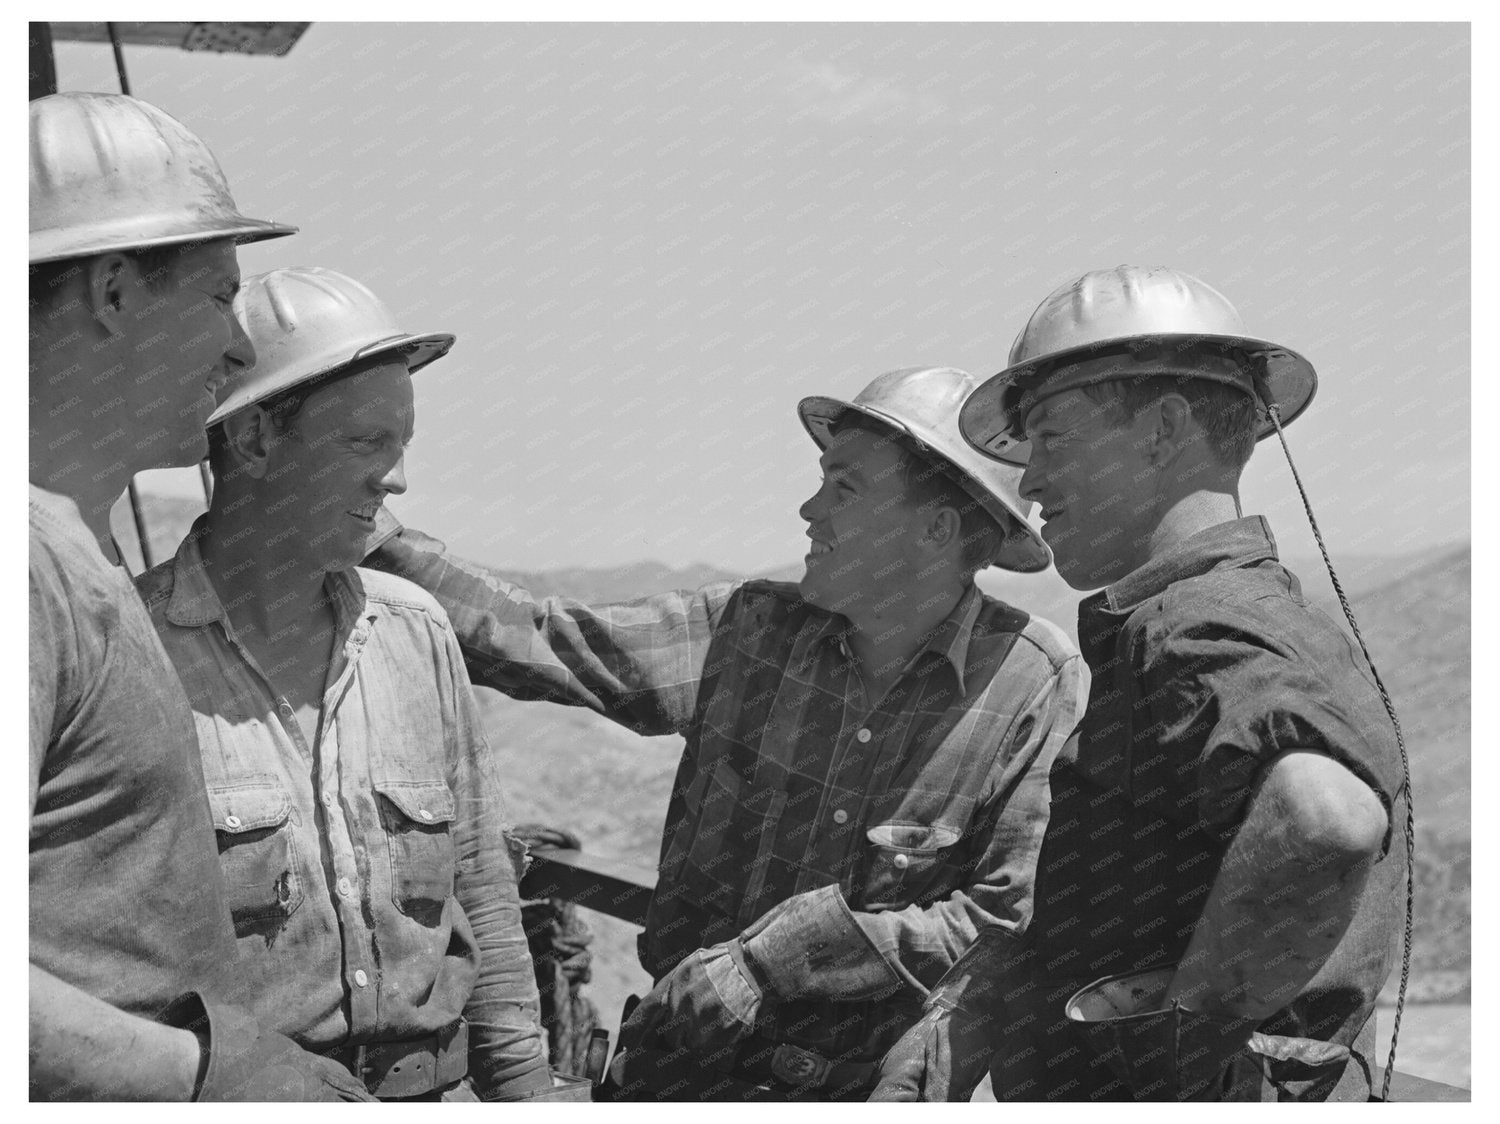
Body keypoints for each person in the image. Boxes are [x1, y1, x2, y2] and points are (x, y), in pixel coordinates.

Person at [362, 364, 1088, 1100]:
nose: (810, 509)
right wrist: (354, 525)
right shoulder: (749, 632)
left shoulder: (1032, 684)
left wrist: (785, 954)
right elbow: (541, 639)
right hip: (680, 1074)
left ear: (934, 530)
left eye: (845, 486)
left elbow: (1004, 921)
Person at [870, 265, 1407, 1102]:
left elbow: (1325, 821)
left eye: (1053, 438)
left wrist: (1172, 1049)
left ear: (1162, 428)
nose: (1032, 481)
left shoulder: (1194, 622)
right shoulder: (1226, 614)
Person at [136, 266, 583, 1101]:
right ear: (257, 438)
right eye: (363, 443)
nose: (396, 479)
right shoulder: (131, 655)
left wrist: (529, 1096)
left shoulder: (415, 636)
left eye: (400, 445)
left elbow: (482, 895)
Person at [29, 92, 370, 1101]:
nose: (236, 352)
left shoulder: (67, 549)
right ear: (117, 288)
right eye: (220, 296)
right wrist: (215, 1078)